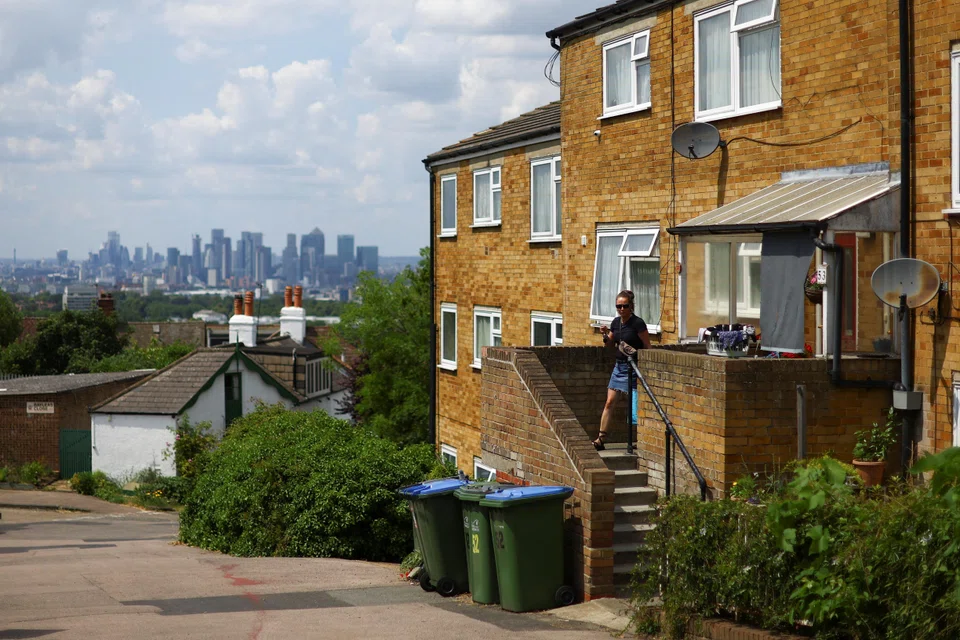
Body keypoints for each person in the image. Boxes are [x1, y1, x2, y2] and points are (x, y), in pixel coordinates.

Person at [594, 290, 651, 450]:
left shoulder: (638, 323)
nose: (621, 309)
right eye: (618, 306)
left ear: (631, 306)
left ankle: (639, 441)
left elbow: (647, 346)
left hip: (633, 368)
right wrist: (605, 335)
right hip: (619, 367)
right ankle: (600, 439)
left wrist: (645, 368)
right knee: (609, 402)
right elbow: (609, 344)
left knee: (634, 407)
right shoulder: (616, 323)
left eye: (625, 306)